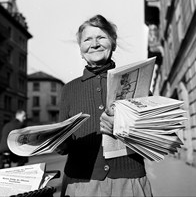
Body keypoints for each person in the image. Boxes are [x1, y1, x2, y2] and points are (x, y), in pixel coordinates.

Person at [57, 14, 153, 197]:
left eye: (101, 37)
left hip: (128, 182)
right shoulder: (69, 89)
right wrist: (55, 144)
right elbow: (64, 143)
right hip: (81, 183)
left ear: (113, 43)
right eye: (87, 39)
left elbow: (153, 136)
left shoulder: (135, 80)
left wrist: (125, 128)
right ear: (81, 49)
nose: (94, 44)